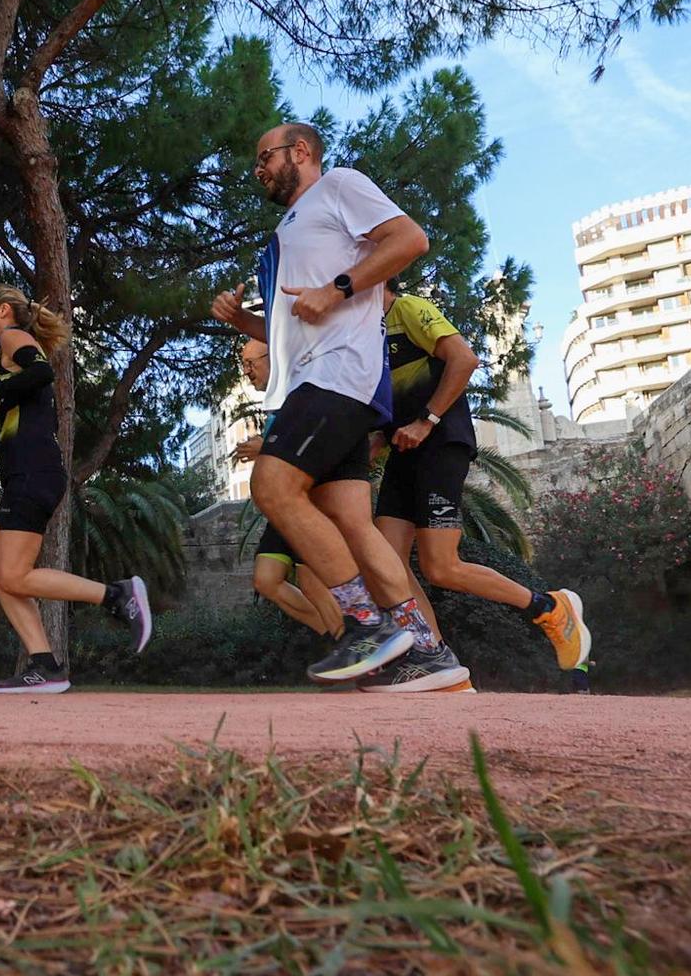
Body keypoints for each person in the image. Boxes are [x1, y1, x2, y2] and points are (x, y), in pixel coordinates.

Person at [210, 122, 465, 688]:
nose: (258, 170)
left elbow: (409, 239)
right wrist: (243, 322)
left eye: (264, 157)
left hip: (339, 374)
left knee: (273, 487)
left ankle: (365, 625)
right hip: (315, 373)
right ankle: (427, 651)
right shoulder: (287, 228)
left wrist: (340, 288)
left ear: (301, 152)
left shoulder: (340, 185)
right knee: (351, 521)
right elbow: (294, 326)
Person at [369, 286, 591, 675]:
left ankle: (549, 607)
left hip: (440, 446)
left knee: (441, 567)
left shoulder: (408, 309)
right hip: (403, 455)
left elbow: (464, 359)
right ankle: (433, 656)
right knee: (385, 562)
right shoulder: (368, 338)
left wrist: (426, 421)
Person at [0, 284, 153, 694]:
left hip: (33, 474)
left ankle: (118, 595)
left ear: (3, 310)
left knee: (14, 573)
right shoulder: (5, 350)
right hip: (25, 472)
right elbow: (38, 414)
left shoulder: (12, 337)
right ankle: (45, 666)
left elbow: (42, 373)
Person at [230, 340, 345, 640]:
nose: (247, 372)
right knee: (266, 580)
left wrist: (265, 446)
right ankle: (335, 636)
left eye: (250, 363)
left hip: (307, 502)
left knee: (310, 580)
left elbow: (316, 445)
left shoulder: (303, 391)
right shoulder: (276, 403)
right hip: (282, 507)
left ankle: (354, 644)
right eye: (244, 365)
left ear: (273, 358)